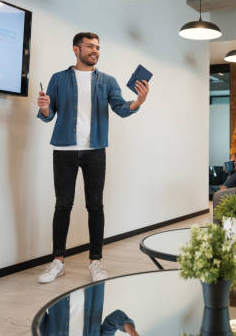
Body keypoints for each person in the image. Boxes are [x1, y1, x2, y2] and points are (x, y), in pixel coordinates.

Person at [36, 32, 149, 284]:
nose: (95, 51)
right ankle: (57, 261)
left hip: (95, 150)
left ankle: (95, 261)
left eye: (97, 47)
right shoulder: (58, 79)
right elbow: (48, 114)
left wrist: (138, 101)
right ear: (76, 49)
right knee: (62, 205)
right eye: (90, 47)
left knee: (95, 205)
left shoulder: (107, 81)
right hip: (64, 150)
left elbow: (121, 108)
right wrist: (44, 106)